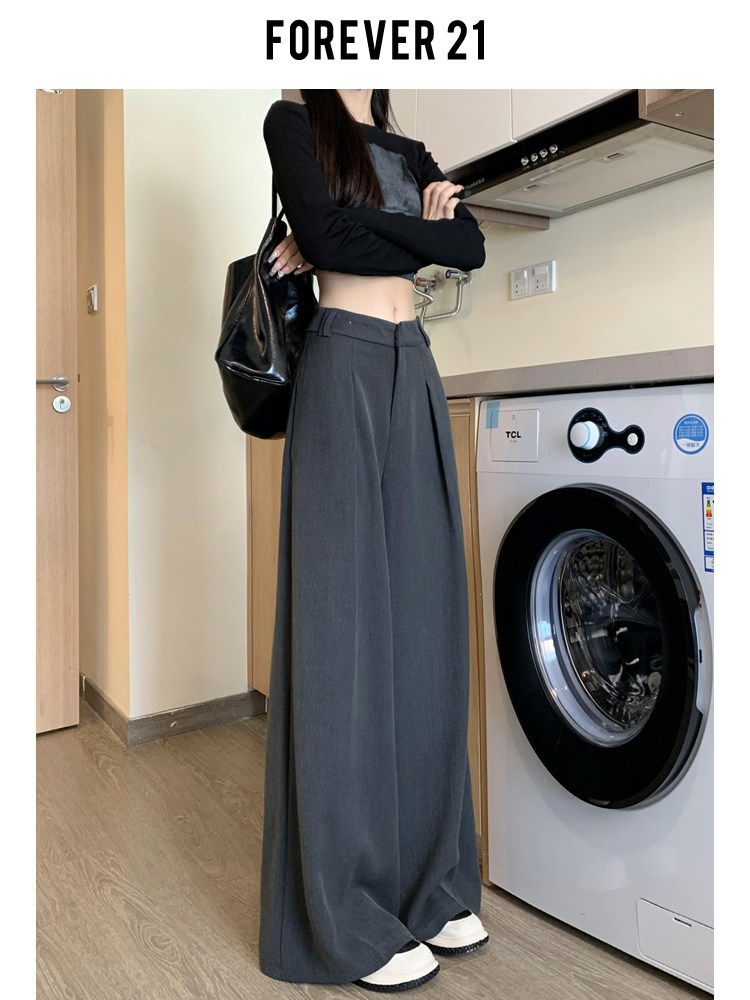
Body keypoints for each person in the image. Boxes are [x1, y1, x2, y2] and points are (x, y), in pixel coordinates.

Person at [258, 89, 489, 993]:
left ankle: (430, 886)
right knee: (343, 637)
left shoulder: (411, 147)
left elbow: (468, 248)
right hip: (343, 361)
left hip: (415, 366)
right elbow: (331, 240)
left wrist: (359, 236)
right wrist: (411, 234)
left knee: (427, 627)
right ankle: (344, 911)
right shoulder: (293, 123)